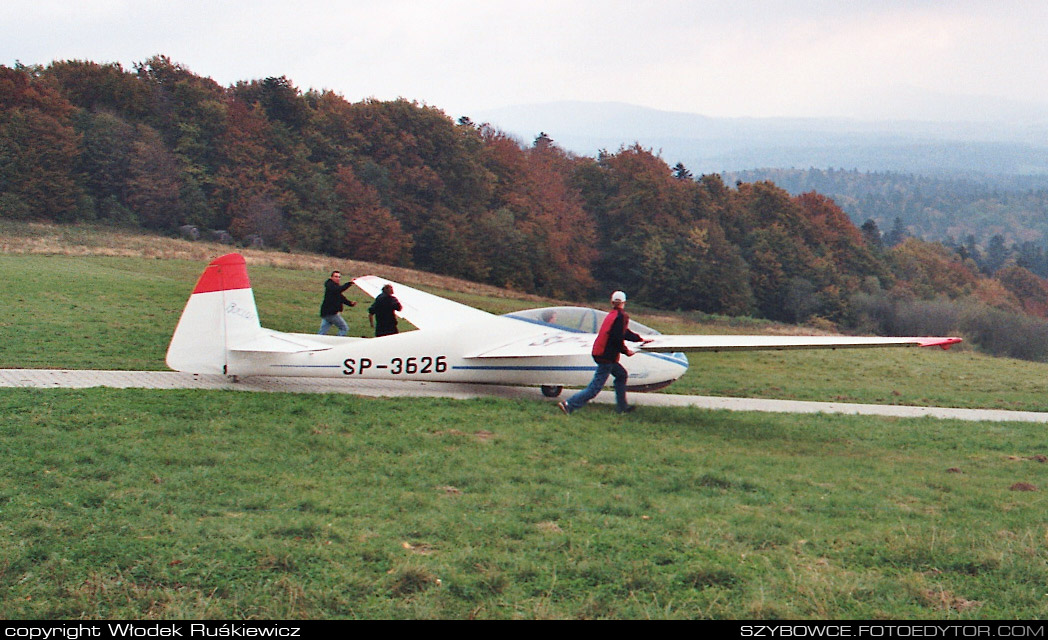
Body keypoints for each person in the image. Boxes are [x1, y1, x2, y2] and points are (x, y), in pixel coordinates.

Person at [559, 290, 651, 415]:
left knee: (621, 375)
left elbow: (623, 332)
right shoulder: (621, 316)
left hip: (601, 353)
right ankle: (569, 404)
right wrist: (626, 351)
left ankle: (622, 408)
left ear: (612, 302)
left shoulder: (612, 315)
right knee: (595, 388)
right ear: (624, 302)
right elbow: (617, 338)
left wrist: (639, 339)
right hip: (606, 356)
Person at [318, 270, 356, 336]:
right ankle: (337, 342)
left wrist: (350, 303)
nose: (338, 278)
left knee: (322, 332)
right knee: (344, 328)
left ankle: (317, 342)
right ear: (331, 277)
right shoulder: (330, 286)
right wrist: (349, 283)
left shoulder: (335, 286)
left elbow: (341, 297)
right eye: (336, 277)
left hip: (326, 313)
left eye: (339, 277)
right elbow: (338, 290)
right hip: (331, 313)